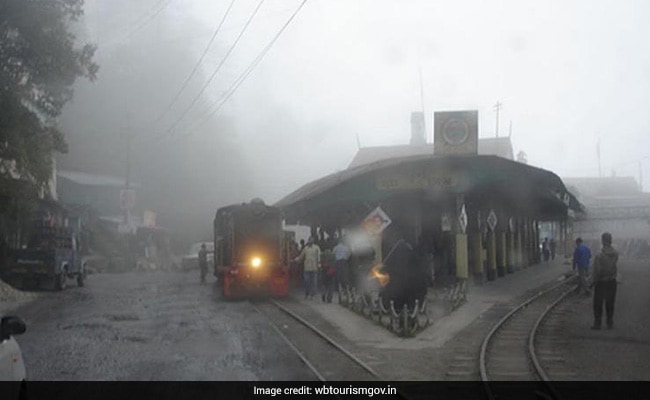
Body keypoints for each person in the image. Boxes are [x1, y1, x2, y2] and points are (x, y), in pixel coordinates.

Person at [590, 232, 619, 330]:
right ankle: (609, 322)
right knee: (610, 303)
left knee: (598, 303)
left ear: (603, 241)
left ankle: (597, 324)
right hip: (612, 282)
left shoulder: (599, 255)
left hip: (601, 282)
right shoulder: (615, 253)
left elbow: (597, 270)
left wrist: (594, 281)